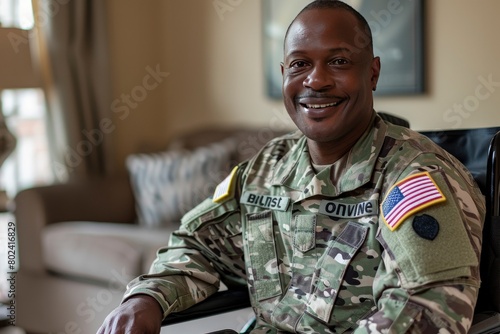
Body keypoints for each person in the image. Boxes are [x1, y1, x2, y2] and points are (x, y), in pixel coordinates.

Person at [98, 1, 485, 333]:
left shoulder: (414, 176)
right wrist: (148, 297)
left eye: (338, 61)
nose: (316, 80)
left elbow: (429, 310)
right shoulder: (267, 167)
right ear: (284, 75)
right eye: (300, 64)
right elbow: (199, 242)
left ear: (372, 73)